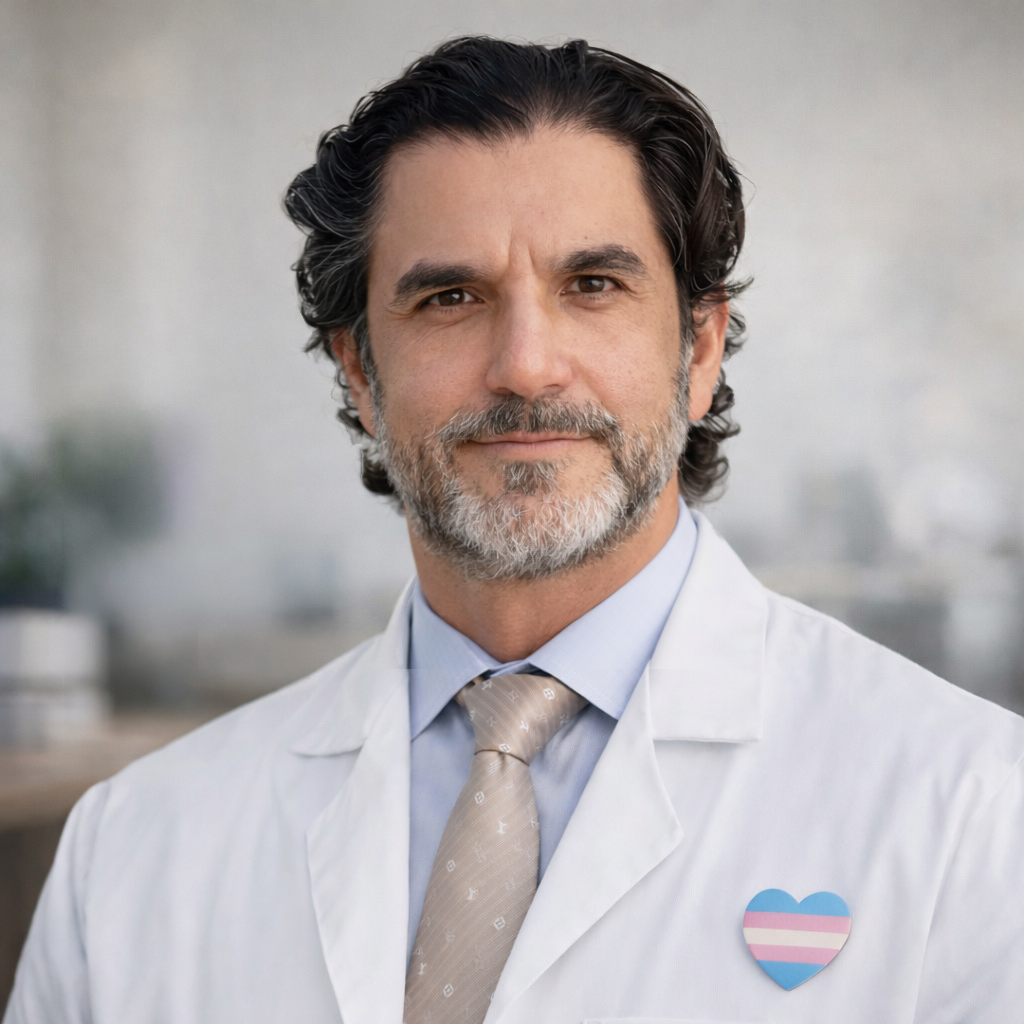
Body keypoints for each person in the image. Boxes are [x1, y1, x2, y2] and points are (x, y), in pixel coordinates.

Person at [6, 36, 1024, 1024]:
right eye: (450, 297)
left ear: (700, 347)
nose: (526, 365)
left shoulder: (972, 810)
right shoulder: (136, 847)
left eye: (592, 285)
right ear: (360, 371)